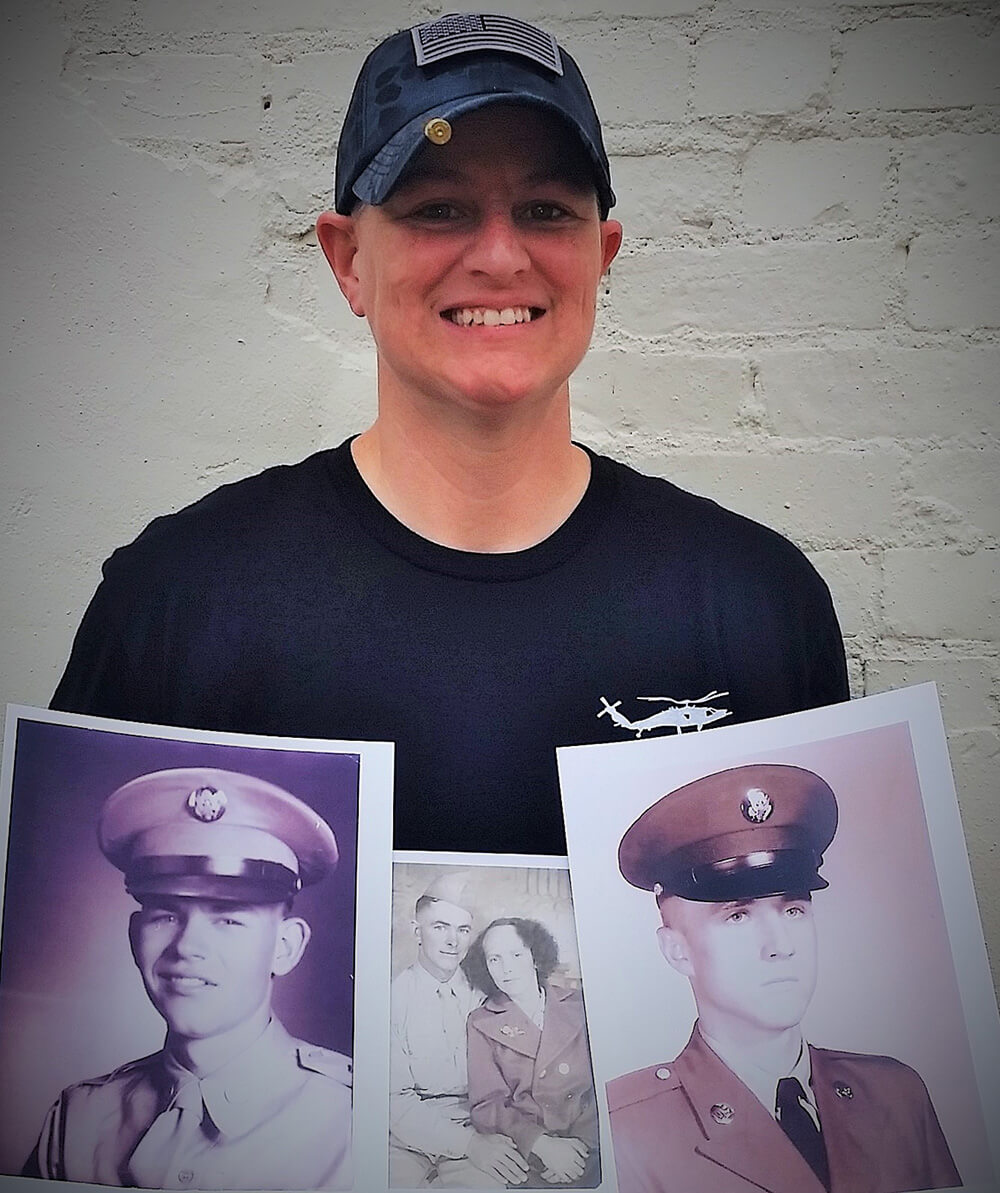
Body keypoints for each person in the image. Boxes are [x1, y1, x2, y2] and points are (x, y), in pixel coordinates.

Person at [50, 13, 848, 859]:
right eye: (439, 208)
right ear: (348, 258)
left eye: (545, 209)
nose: (501, 256)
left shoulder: (760, 605)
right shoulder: (176, 602)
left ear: (602, 255)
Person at [606, 763, 961, 1193]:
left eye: (793, 910)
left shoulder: (895, 1094)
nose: (780, 945)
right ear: (677, 950)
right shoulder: (626, 1131)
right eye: (738, 916)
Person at [22, 767, 353, 1190]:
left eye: (228, 919)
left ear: (285, 947)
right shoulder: (78, 1121)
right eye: (165, 914)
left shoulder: (351, 1121)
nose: (186, 946)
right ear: (133, 936)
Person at [389, 873, 529, 1187]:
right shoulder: (392, 999)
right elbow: (392, 1101)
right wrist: (469, 1145)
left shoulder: (486, 992)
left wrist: (479, 1142)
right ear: (417, 931)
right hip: (404, 1135)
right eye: (440, 927)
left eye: (462, 929)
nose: (453, 941)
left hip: (479, 1127)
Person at [465, 917, 599, 1189]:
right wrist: (543, 1145)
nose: (506, 968)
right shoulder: (480, 1022)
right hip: (528, 1155)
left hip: (592, 1149)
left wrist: (583, 1147)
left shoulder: (581, 1005)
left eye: (516, 954)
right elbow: (487, 1105)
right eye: (494, 959)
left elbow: (603, 1087)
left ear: (535, 957)